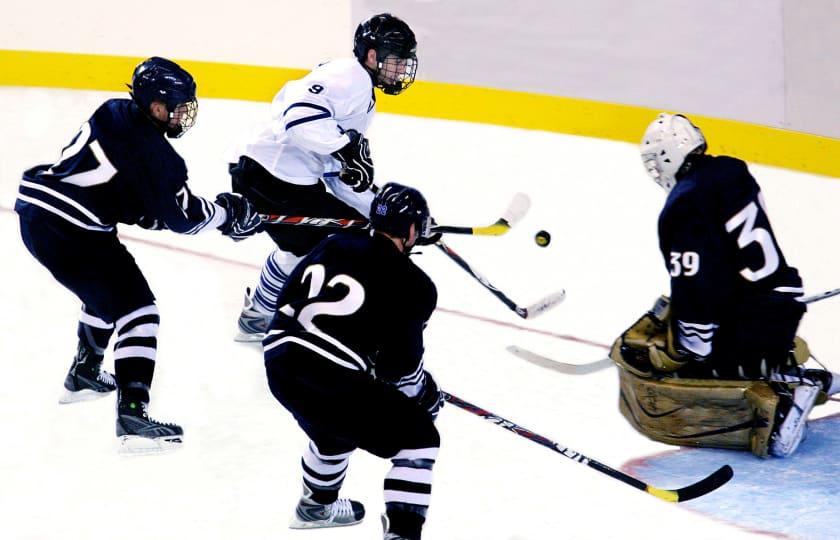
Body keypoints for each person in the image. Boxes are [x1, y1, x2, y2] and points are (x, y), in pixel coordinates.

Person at [15, 56, 262, 455]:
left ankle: (84, 373)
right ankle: (132, 415)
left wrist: (156, 213)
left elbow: (126, 194)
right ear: (155, 105)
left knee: (106, 291)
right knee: (138, 311)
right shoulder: (157, 156)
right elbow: (182, 218)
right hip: (73, 231)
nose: (183, 114)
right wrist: (226, 215)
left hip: (39, 213)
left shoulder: (114, 111)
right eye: (177, 106)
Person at [610, 112, 840, 457]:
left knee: (691, 366)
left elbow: (698, 282)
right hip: (783, 300)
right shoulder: (730, 171)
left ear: (669, 155)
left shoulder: (682, 205)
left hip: (750, 319)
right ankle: (794, 373)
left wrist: (693, 341)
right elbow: (725, 258)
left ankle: (795, 392)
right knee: (739, 346)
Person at [263, 183, 442, 540]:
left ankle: (316, 505)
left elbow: (287, 297)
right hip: (331, 374)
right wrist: (424, 393)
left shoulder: (332, 243)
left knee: (334, 431)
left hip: (279, 360)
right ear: (411, 231)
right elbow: (398, 368)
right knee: (419, 437)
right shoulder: (416, 283)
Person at [229, 12, 420, 341]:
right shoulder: (349, 76)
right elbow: (299, 118)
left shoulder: (361, 93)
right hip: (272, 178)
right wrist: (344, 147)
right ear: (372, 56)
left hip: (273, 178)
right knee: (354, 247)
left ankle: (258, 317)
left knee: (303, 248)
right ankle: (342, 332)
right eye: (395, 61)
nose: (401, 69)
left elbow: (337, 174)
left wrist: (383, 214)